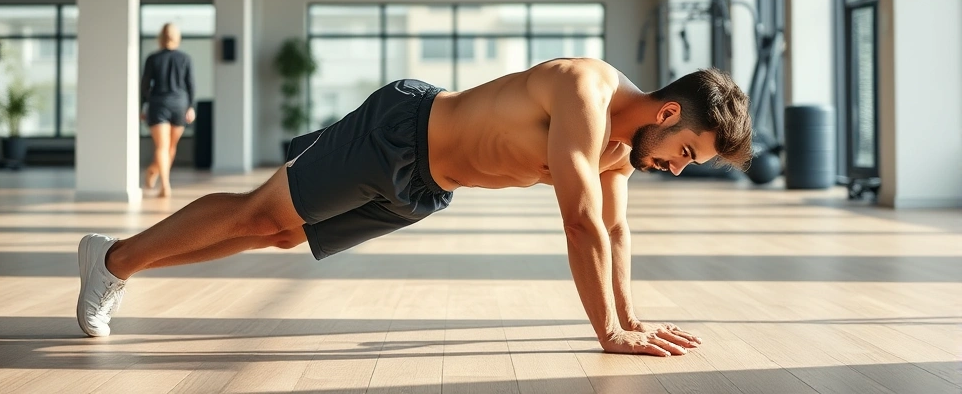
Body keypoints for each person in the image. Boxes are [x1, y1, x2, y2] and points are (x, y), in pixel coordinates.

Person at [78, 58, 753, 357]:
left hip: (427, 188)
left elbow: (615, 227)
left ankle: (117, 262)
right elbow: (580, 223)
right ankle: (112, 261)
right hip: (398, 134)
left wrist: (632, 319)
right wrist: (607, 331)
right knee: (263, 214)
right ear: (668, 113)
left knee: (282, 236)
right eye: (686, 153)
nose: (675, 168)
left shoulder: (621, 150)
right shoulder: (586, 91)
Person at [139, 23, 196, 198]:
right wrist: (191, 106)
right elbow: (190, 86)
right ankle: (165, 185)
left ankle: (153, 173)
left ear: (161, 37)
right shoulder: (185, 58)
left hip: (159, 105)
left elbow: (145, 86)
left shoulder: (153, 59)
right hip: (180, 105)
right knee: (169, 148)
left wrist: (143, 105)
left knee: (165, 147)